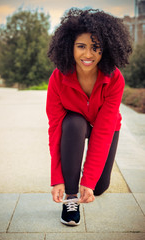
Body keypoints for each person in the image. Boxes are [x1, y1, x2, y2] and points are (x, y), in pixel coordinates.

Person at [46, 8, 132, 226]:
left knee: (99, 187)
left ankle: (82, 176)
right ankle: (71, 197)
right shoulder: (58, 78)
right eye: (81, 46)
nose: (88, 54)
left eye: (96, 48)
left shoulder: (114, 79)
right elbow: (55, 127)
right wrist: (57, 178)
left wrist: (90, 179)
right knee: (73, 123)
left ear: (106, 49)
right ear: (70, 47)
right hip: (75, 127)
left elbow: (103, 131)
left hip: (105, 127)